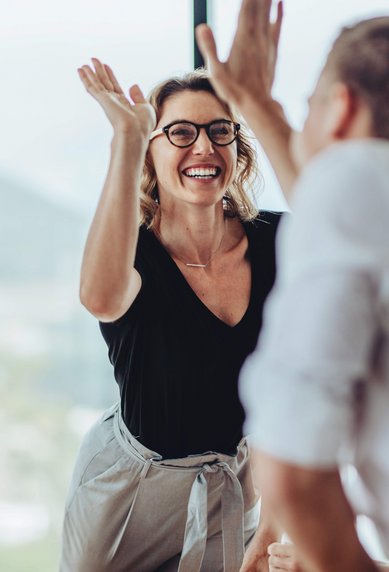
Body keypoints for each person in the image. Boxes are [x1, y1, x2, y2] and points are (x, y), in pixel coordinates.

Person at [59, 34, 289, 569]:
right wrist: (126, 138)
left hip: (230, 487)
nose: (204, 148)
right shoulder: (132, 251)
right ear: (151, 153)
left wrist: (273, 527)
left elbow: (292, 398)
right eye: (180, 133)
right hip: (126, 493)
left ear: (237, 147)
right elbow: (100, 298)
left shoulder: (279, 242)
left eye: (219, 132)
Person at [196, 2, 389, 571]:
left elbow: (293, 464)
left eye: (306, 109)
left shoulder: (354, 174)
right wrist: (259, 103)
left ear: (342, 108)